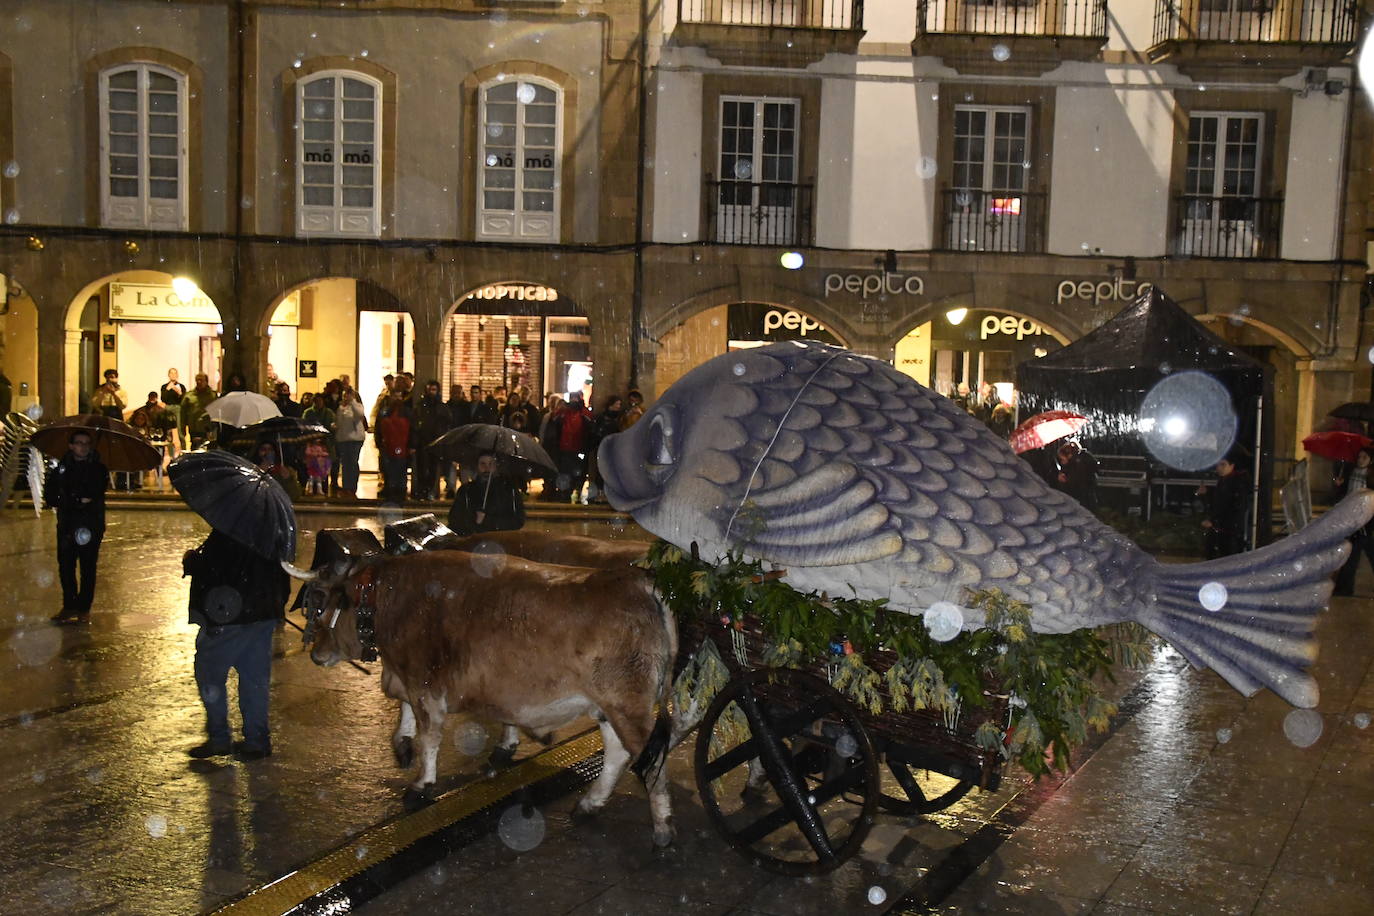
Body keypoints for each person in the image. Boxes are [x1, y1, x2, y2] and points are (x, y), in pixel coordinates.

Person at [181, 529, 290, 759]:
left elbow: (217, 571)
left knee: (208, 672)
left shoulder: (230, 530)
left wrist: (193, 562)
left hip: (230, 614)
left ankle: (219, 737)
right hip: (261, 613)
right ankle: (256, 740)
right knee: (254, 679)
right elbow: (282, 574)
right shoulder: (271, 532)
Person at [44, 431, 108, 624]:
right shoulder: (61, 468)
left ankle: (84, 608)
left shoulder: (98, 468)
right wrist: (69, 498)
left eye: (86, 443)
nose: (83, 447)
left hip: (90, 524)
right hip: (67, 524)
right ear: (71, 446)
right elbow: (51, 495)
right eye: (79, 443)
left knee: (88, 568)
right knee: (65, 567)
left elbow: (93, 493)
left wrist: (74, 498)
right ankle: (69, 605)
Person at [447, 451, 525, 535]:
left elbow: (517, 520)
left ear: (496, 466)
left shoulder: (509, 490)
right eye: (482, 464)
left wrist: (488, 520)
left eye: (491, 464)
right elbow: (454, 519)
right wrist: (473, 520)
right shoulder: (466, 491)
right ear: (477, 466)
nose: (487, 468)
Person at [1333, 447, 1374, 596]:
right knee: (1353, 552)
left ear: (1370, 460)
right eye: (1359, 457)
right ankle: (1344, 588)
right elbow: (1344, 494)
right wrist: (1338, 485)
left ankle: (1344, 588)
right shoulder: (1350, 472)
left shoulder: (1371, 475)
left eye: (1365, 457)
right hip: (1352, 519)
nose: (1361, 460)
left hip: (1366, 521)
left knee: (1357, 552)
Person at [1199, 452, 1250, 559]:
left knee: (1224, 558)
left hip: (1229, 532)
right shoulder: (1225, 480)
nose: (1219, 468)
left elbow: (1232, 508)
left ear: (1232, 465)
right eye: (1218, 465)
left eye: (1223, 464)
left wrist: (1215, 522)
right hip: (1224, 529)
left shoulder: (1235, 483)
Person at [411, 380, 449, 501]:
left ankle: (430, 491)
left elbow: (446, 424)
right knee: (422, 468)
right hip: (423, 442)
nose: (431, 392)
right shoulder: (420, 406)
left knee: (433, 469)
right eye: (429, 390)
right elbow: (415, 426)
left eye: (433, 390)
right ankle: (422, 491)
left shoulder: (442, 407)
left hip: (436, 442)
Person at [376, 396, 412, 504]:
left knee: (390, 472)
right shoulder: (407, 414)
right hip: (402, 448)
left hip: (388, 447)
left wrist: (379, 443)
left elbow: (379, 430)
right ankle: (400, 493)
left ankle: (391, 493)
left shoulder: (384, 414)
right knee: (400, 472)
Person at [334, 385, 369, 497]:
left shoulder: (357, 406)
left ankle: (352, 487)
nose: (345, 398)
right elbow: (339, 423)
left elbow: (359, 415)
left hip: (355, 439)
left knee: (353, 463)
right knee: (345, 464)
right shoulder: (341, 408)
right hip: (343, 439)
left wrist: (352, 402)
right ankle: (346, 487)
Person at [1051, 440, 1098, 510]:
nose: (1062, 461)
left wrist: (1063, 480)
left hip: (1080, 497)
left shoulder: (1077, 463)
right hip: (1086, 497)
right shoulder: (1084, 458)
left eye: (1063, 459)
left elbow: (1074, 482)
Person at [181, 373, 219, 450]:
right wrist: (183, 429)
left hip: (209, 428)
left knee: (209, 450)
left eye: (201, 380)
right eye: (197, 380)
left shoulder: (212, 395)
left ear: (206, 381)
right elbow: (183, 413)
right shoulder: (189, 396)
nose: (199, 382)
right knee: (195, 451)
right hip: (194, 428)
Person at [160, 368, 186, 454]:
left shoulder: (181, 386)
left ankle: (183, 452)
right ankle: (171, 455)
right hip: (168, 408)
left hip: (178, 408)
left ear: (177, 375)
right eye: (171, 373)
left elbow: (183, 399)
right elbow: (163, 399)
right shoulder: (164, 387)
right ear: (168, 375)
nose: (173, 375)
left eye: (175, 374)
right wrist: (167, 389)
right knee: (168, 432)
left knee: (180, 432)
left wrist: (179, 393)